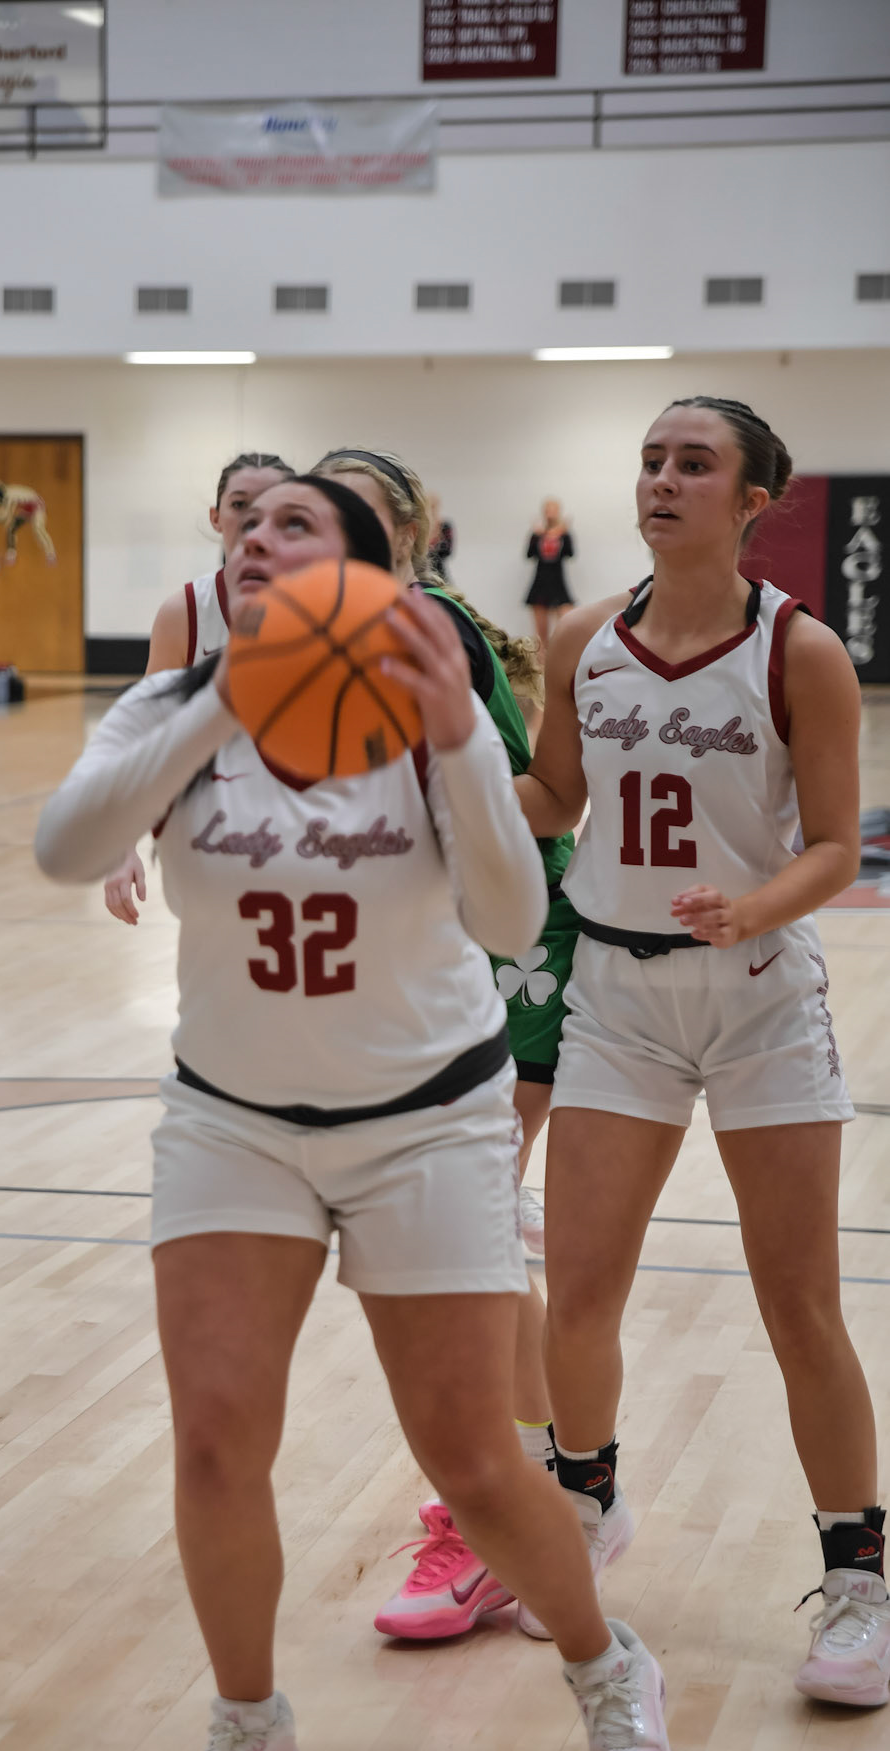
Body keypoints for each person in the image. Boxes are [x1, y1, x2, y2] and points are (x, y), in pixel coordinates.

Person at [36, 472, 678, 1751]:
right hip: (232, 1119)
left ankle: (606, 1666)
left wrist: (456, 745)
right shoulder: (174, 703)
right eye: (246, 521)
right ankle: (249, 1718)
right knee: (216, 1439)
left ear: (367, 576)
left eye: (297, 526)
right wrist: (220, 695)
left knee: (473, 1459)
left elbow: (511, 919)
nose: (257, 537)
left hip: (425, 1119)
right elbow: (67, 846)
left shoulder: (428, 711)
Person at [518, 395, 888, 1705]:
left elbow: (837, 845)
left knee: (799, 1305)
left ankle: (859, 1581)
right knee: (578, 1290)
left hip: (758, 995)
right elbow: (554, 796)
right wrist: (436, 784)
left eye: (693, 463)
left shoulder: (801, 651)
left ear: (752, 500)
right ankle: (587, 1503)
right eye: (650, 461)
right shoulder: (581, 638)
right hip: (617, 994)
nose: (662, 480)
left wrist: (756, 905)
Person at [311, 447, 577, 1644]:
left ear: (410, 533)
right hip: (426, 958)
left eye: (357, 514)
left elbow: (505, 805)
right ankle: (526, 1492)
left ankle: (503, 1516)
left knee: (466, 1244)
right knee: (473, 1241)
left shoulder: (427, 632)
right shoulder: (322, 637)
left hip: (500, 945)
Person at [104, 452, 293, 925]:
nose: (254, 520)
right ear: (216, 517)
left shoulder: (331, 610)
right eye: (240, 504)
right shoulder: (185, 614)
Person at [525, 499, 575, 647]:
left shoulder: (564, 534)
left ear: (558, 512)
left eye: (553, 510)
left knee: (567, 625)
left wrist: (560, 534)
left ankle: (561, 658)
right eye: (548, 510)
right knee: (541, 635)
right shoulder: (536, 534)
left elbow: (570, 554)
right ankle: (541, 661)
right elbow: (529, 554)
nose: (550, 514)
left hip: (558, 582)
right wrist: (538, 536)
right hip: (540, 582)